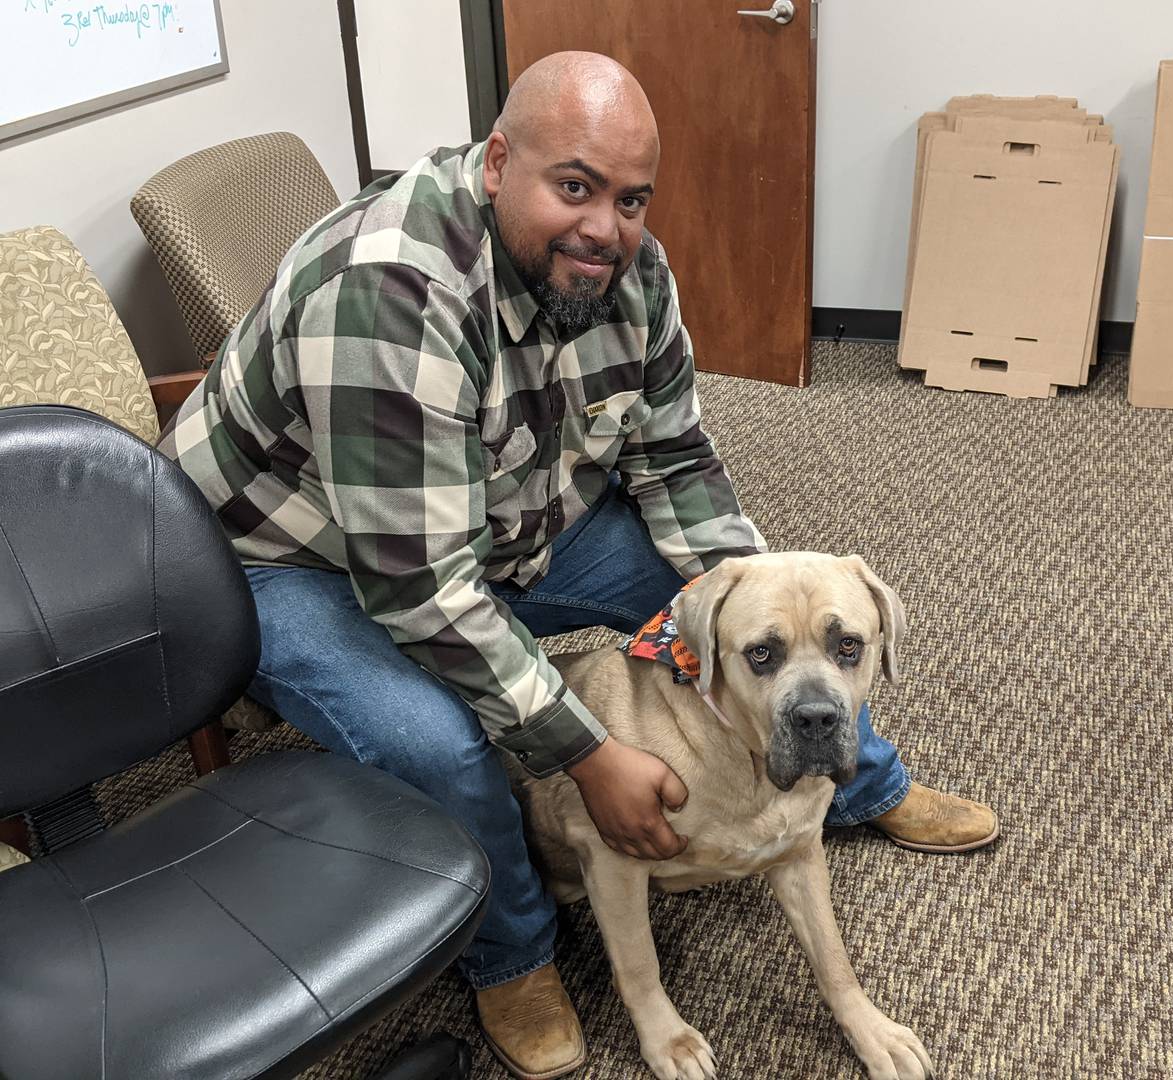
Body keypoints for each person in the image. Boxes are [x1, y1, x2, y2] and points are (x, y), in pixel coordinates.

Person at [161, 51, 997, 1080]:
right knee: (446, 745)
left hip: (500, 512)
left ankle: (847, 773)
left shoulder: (627, 273)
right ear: (497, 161)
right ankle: (515, 952)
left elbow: (677, 462)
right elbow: (422, 592)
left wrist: (745, 600)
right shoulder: (389, 293)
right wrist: (590, 757)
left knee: (729, 611)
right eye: (575, 187)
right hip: (287, 558)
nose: (607, 224)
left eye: (631, 197)